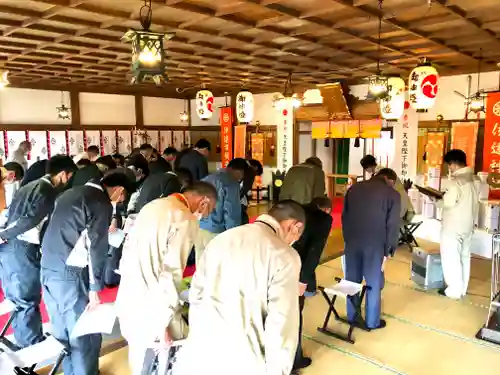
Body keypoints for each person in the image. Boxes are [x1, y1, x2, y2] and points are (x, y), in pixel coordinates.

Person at [174, 200, 305, 375]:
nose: (293, 241)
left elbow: (197, 294)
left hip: (204, 349)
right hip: (246, 357)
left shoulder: (222, 238)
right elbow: (281, 323)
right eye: (296, 236)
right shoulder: (284, 255)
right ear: (295, 227)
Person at [116, 182, 217, 375]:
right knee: (170, 360)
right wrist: (162, 323)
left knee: (139, 360)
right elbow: (170, 274)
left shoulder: (154, 206)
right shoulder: (184, 219)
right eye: (207, 211)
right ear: (203, 202)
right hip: (153, 306)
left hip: (128, 296)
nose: (204, 216)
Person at [40, 171, 134, 375]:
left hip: (48, 266)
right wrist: (94, 288)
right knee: (85, 331)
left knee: (61, 329)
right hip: (71, 273)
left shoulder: (70, 193)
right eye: (123, 196)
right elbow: (97, 248)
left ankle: (70, 371)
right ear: (119, 190)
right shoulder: (100, 203)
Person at [0, 155, 77, 348]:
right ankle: (31, 345)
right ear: (62, 174)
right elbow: (29, 220)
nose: (68, 181)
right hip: (21, 248)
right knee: (26, 298)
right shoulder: (47, 191)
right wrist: (4, 234)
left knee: (16, 298)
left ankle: (23, 339)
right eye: (69, 176)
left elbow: (11, 213)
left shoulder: (29, 185)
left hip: (10, 247)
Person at [342, 168, 400, 330]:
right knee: (373, 282)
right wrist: (388, 251)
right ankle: (372, 321)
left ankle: (352, 316)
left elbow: (344, 216)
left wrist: (347, 239)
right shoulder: (392, 195)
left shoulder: (354, 188)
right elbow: (393, 225)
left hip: (352, 241)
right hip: (376, 244)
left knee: (351, 279)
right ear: (389, 179)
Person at [292, 196, 332, 371]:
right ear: (325, 209)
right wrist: (304, 281)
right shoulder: (322, 220)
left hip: (271, 265)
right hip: (295, 269)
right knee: (293, 315)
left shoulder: (294, 210)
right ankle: (294, 359)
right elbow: (314, 252)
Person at [435, 150, 478, 299]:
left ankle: (454, 290)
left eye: (449, 165)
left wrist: (436, 199)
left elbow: (448, 202)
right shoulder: (475, 179)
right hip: (468, 225)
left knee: (451, 257)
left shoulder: (455, 182)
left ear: (453, 164)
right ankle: (462, 288)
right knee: (464, 257)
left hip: (453, 226)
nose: (449, 168)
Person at [198, 158, 249, 261]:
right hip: (217, 231)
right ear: (240, 172)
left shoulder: (207, 178)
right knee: (217, 265)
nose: (241, 179)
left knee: (201, 263)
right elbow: (231, 212)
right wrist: (234, 235)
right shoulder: (231, 182)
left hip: (199, 227)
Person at [360, 155, 414, 221]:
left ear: (369, 166)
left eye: (365, 168)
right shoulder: (383, 171)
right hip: (407, 209)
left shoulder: (381, 174)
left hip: (403, 211)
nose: (365, 170)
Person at [240, 159, 264, 224]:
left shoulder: (241, 165)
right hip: (240, 199)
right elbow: (245, 188)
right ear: (255, 167)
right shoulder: (249, 171)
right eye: (256, 173)